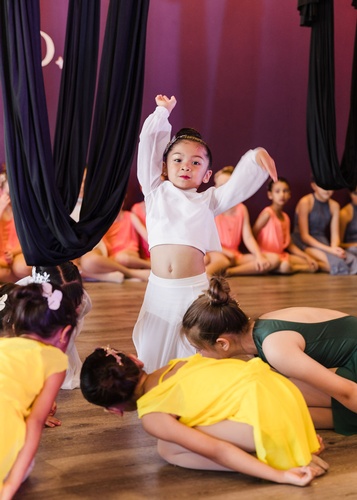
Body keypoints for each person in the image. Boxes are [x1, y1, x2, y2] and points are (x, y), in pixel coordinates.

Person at [132, 93, 278, 372]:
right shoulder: (154, 191)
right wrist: (162, 112)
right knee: (152, 354)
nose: (186, 165)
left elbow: (237, 186)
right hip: (159, 290)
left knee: (197, 353)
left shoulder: (208, 200)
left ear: (207, 175)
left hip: (193, 290)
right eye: (178, 160)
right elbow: (148, 146)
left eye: (196, 162)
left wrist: (256, 156)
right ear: (164, 167)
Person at [80, 346, 328, 486]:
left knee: (168, 448)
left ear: (114, 410)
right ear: (136, 360)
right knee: (189, 422)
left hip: (270, 417)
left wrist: (281, 475)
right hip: (286, 393)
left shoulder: (153, 417)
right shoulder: (174, 365)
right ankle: (295, 436)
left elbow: (218, 450)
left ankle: (278, 455)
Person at [181, 275, 357, 435]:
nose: (199, 354)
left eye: (199, 348)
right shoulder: (260, 329)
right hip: (349, 360)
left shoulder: (275, 348)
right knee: (277, 400)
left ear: (222, 343)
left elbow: (347, 392)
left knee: (276, 396)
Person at [0, 282, 78, 498]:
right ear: (65, 334)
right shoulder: (56, 361)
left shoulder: (3, 344)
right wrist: (9, 487)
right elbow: (34, 422)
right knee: (25, 466)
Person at [205, 166, 280, 276]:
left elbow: (248, 237)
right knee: (222, 261)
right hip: (215, 253)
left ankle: (230, 272)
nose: (224, 190)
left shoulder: (241, 209)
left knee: (274, 259)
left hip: (234, 255)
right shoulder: (211, 209)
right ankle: (207, 276)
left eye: (227, 186)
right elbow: (206, 241)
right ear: (215, 187)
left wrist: (259, 255)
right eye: (220, 186)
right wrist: (225, 252)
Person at [252, 178, 318, 274]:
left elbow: (289, 245)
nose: (282, 195)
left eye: (285, 191)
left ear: (289, 194)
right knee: (286, 266)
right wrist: (258, 255)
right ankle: (291, 268)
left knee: (309, 262)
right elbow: (253, 233)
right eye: (277, 191)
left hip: (281, 255)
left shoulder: (285, 217)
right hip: (267, 254)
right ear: (270, 195)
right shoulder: (267, 214)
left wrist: (306, 256)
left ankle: (285, 268)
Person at [291, 179, 357, 274]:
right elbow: (304, 236)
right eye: (323, 185)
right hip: (304, 243)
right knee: (338, 264)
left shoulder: (334, 206)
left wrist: (335, 248)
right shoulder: (306, 202)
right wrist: (330, 250)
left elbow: (335, 235)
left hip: (322, 241)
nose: (327, 190)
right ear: (313, 186)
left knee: (352, 260)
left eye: (330, 186)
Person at [0, 167, 31, 282]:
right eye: (8, 194)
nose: (11, 198)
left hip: (19, 253)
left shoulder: (25, 208)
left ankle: (16, 278)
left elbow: (30, 239)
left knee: (22, 267)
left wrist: (13, 252)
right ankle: (14, 279)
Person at [102, 205, 151, 271]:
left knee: (122, 258)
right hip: (111, 256)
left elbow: (146, 236)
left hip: (130, 253)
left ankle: (148, 265)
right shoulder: (103, 221)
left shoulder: (130, 216)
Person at [339, 185, 357, 255]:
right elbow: (339, 244)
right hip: (352, 250)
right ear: (350, 194)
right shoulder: (345, 213)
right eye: (355, 194)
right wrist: (354, 244)